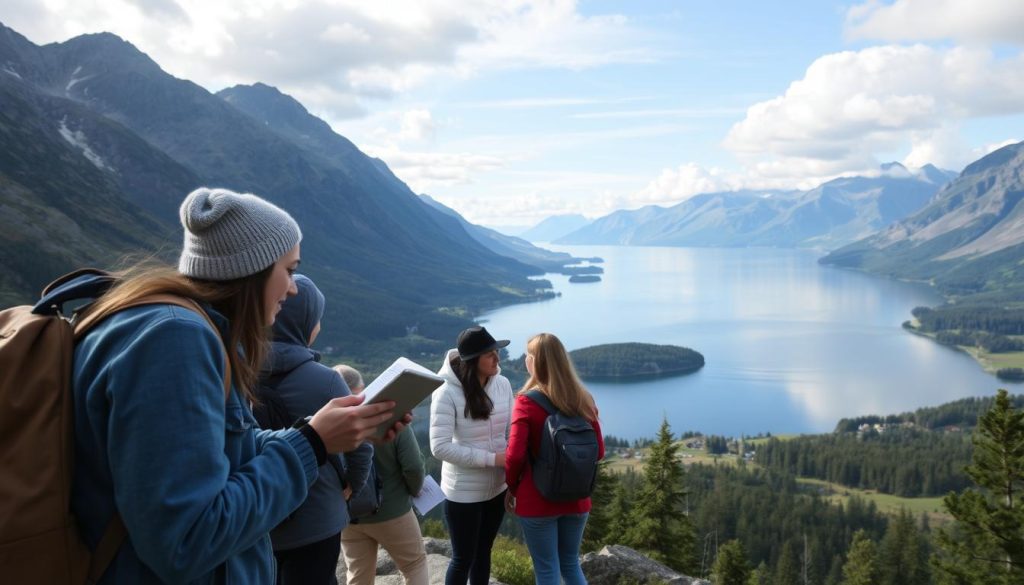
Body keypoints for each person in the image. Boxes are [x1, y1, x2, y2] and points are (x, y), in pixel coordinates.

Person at [71, 187, 407, 584]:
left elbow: (226, 451)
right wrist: (314, 443)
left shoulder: (167, 325)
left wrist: (323, 431)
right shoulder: (175, 341)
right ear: (253, 269)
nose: (294, 288)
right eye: (290, 269)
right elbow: (186, 539)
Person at [259, 275, 373, 585]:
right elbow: (360, 444)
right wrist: (351, 486)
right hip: (316, 517)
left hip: (259, 516)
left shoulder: (238, 369)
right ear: (306, 322)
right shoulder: (325, 380)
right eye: (317, 319)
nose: (319, 326)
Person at [504, 333, 604, 585]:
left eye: (529, 355)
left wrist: (513, 488)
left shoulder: (526, 402)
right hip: (577, 500)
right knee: (571, 565)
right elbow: (599, 452)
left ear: (535, 362)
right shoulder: (584, 399)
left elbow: (514, 456)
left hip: (536, 500)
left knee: (547, 570)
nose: (526, 359)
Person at [430, 326, 514, 585]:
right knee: (463, 558)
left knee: (484, 553)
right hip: (463, 492)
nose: (497, 359)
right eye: (490, 354)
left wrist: (512, 480)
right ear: (472, 360)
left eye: (497, 352)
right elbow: (439, 447)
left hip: (497, 487)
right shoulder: (446, 391)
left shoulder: (502, 384)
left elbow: (511, 435)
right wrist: (492, 460)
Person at [336, 364, 430, 585]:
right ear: (363, 387)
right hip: (393, 511)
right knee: (414, 565)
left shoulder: (327, 423)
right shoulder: (387, 417)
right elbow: (413, 467)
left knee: (358, 573)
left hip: (349, 514)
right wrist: (416, 490)